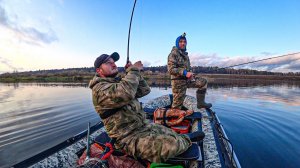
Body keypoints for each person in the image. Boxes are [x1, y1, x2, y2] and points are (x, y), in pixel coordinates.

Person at [88, 52, 194, 163]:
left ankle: (185, 139)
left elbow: (144, 90)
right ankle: (188, 140)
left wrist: (133, 72)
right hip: (127, 138)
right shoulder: (100, 89)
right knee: (172, 145)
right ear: (99, 71)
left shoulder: (118, 82)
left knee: (173, 134)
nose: (114, 64)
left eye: (113, 62)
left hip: (143, 126)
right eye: (108, 63)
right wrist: (134, 70)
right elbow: (126, 93)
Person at [167, 33, 212, 109]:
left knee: (203, 82)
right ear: (177, 43)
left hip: (187, 80)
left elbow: (187, 68)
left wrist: (190, 73)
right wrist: (185, 73)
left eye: (184, 42)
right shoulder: (173, 54)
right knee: (177, 106)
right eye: (181, 42)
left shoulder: (185, 55)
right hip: (178, 82)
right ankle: (172, 118)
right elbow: (171, 69)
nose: (183, 43)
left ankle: (201, 103)